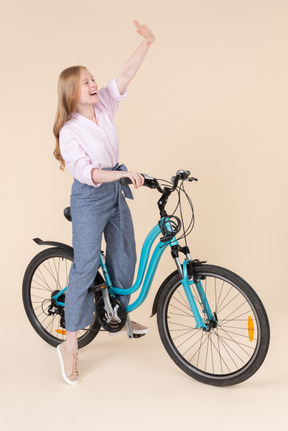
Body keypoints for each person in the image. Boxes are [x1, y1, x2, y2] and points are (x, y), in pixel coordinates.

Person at [52, 21, 155, 385]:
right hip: (90, 196)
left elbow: (124, 76)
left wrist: (147, 43)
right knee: (83, 267)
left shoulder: (105, 106)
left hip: (114, 190)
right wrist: (123, 176)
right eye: (87, 82)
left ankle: (118, 314)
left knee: (125, 256)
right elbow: (88, 173)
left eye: (94, 79)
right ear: (71, 92)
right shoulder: (70, 131)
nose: (95, 85)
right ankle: (71, 345)